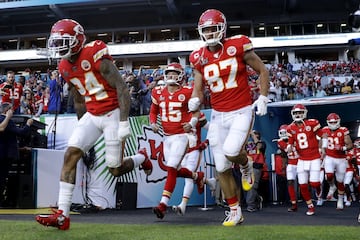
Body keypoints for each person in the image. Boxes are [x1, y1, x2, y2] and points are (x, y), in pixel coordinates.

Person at [35, 19, 153, 230]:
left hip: (112, 113)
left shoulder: (94, 53)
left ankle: (142, 158)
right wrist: (83, 132)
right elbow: (79, 99)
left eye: (64, 41)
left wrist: (124, 121)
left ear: (78, 40)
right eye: (56, 42)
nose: (59, 47)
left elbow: (122, 88)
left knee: (115, 169)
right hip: (92, 113)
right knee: (70, 154)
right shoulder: (63, 66)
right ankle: (63, 215)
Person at [188, 9, 270, 226]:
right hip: (218, 114)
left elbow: (262, 70)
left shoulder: (238, 45)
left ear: (223, 28)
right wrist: (195, 101)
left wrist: (262, 97)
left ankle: (246, 165)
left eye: (214, 28)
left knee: (233, 151)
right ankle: (235, 211)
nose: (210, 33)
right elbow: (198, 89)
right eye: (206, 30)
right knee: (221, 165)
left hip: (241, 110)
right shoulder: (198, 57)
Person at [150, 62, 206, 219]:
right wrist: (153, 123)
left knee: (172, 167)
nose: (171, 76)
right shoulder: (158, 92)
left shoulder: (187, 92)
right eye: (168, 73)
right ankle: (197, 176)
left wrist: (191, 124)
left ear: (181, 75)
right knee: (172, 169)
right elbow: (153, 111)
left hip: (182, 136)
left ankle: (163, 204)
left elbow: (196, 113)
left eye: (174, 73)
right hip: (167, 137)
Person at [172, 112, 217, 216]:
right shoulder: (177, 112)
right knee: (185, 174)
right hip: (183, 152)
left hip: (194, 151)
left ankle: (183, 205)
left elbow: (212, 129)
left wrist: (207, 142)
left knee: (188, 178)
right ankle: (208, 181)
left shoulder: (198, 115)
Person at [286, 104, 323, 216]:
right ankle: (310, 206)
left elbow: (322, 136)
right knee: (302, 185)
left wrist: (322, 149)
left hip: (315, 157)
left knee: (314, 183)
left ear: (305, 113)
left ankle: (318, 188)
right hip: (301, 158)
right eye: (296, 113)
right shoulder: (290, 128)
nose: (298, 115)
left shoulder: (312, 123)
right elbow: (291, 142)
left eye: (300, 112)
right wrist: (289, 147)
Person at [0, 102, 33, 207]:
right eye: (11, 110)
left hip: (3, 154)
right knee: (2, 178)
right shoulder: (6, 120)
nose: (13, 111)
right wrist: (28, 124)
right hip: (4, 155)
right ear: (7, 110)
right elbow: (21, 132)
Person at [321, 113, 353, 210]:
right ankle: (332, 186)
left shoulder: (343, 130)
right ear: (328, 122)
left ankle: (340, 199)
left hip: (341, 158)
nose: (333, 124)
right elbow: (321, 144)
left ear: (338, 121)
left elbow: (350, 145)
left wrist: (342, 147)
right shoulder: (324, 130)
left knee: (340, 181)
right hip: (330, 157)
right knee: (329, 175)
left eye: (335, 122)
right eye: (331, 122)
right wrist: (322, 150)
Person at [276, 124, 299, 212]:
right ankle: (294, 203)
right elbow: (283, 154)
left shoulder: (296, 138)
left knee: (303, 183)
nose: (284, 134)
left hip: (300, 161)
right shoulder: (280, 142)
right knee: (290, 182)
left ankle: (309, 202)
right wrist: (283, 165)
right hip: (291, 163)